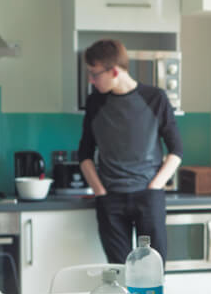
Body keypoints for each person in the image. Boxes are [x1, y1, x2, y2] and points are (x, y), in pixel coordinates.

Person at [78, 39, 183, 264]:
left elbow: (176, 150)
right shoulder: (95, 102)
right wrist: (100, 192)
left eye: (94, 74)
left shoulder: (155, 99)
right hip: (111, 201)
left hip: (148, 198)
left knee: (153, 272)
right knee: (120, 273)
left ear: (114, 71)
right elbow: (84, 153)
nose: (91, 80)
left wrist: (154, 187)